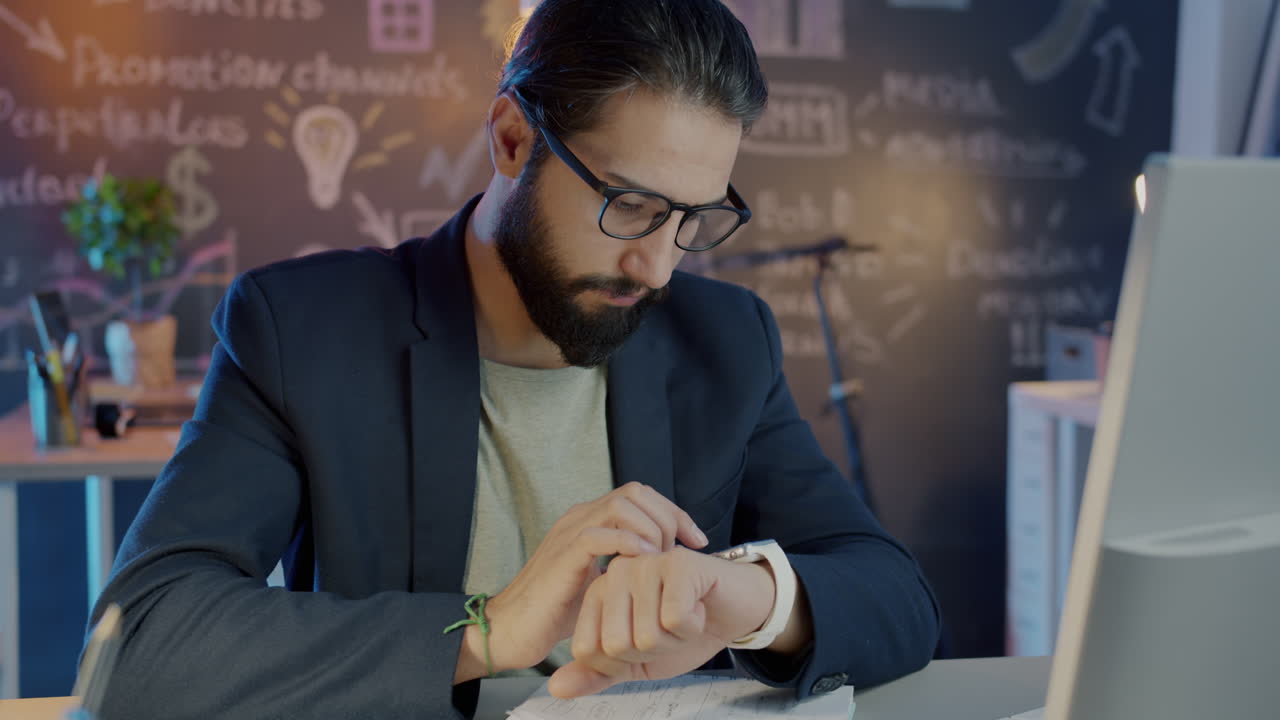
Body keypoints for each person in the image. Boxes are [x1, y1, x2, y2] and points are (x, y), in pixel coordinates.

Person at [87, 1, 941, 717]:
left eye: (695, 218)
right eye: (633, 206)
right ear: (511, 140)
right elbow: (140, 638)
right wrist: (488, 626)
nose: (659, 264)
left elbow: (897, 595)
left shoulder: (725, 341)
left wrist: (749, 601)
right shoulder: (304, 331)